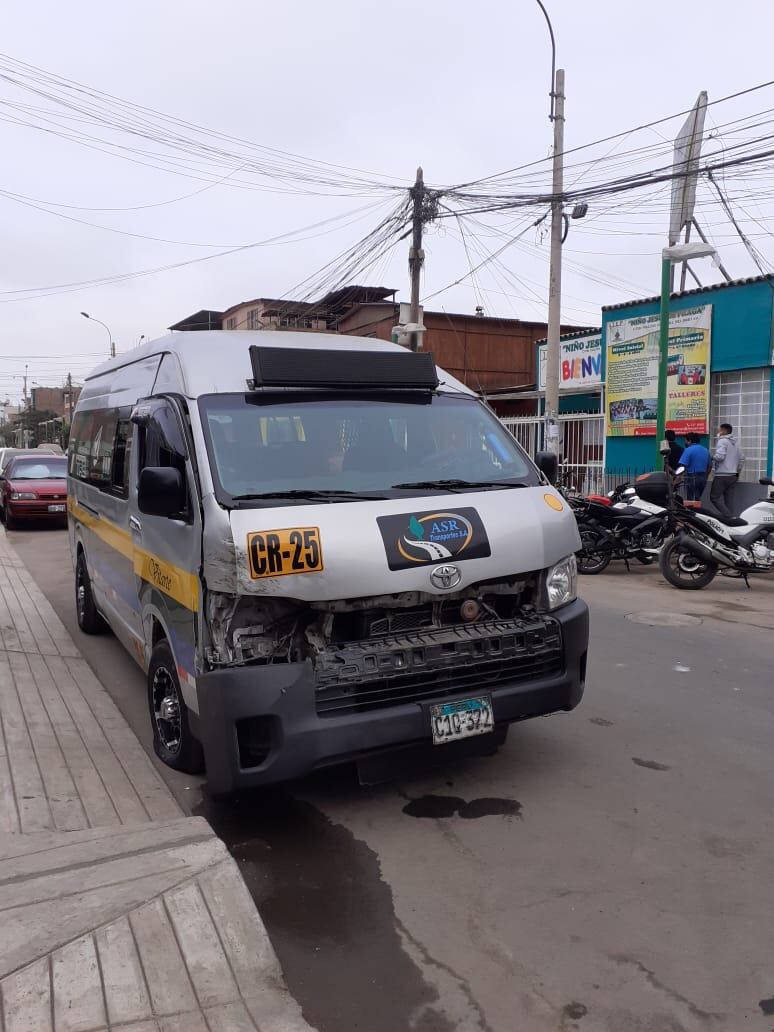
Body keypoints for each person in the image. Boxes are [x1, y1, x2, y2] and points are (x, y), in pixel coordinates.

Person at [710, 422, 744, 516]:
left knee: (714, 497)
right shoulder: (736, 443)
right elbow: (742, 459)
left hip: (722, 475)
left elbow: (720, 457)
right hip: (733, 476)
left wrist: (712, 457)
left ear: (724, 431)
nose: (718, 431)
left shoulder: (722, 441)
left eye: (719, 430)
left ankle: (727, 515)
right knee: (729, 499)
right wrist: (737, 473)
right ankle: (731, 518)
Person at [679, 433, 712, 502]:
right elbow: (710, 465)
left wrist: (677, 477)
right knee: (697, 498)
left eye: (685, 441)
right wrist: (705, 476)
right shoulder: (705, 450)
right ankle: (696, 511)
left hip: (692, 476)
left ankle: (694, 512)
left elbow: (683, 466)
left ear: (689, 441)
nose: (684, 442)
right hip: (703, 476)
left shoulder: (688, 450)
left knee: (692, 500)